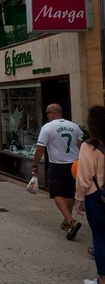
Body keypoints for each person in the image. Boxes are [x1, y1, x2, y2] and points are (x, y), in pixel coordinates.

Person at [32, 103, 83, 240]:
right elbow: (81, 146)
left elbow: (40, 148)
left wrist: (35, 164)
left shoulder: (47, 127)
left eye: (48, 113)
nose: (47, 115)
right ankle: (67, 222)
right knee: (69, 193)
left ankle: (71, 220)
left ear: (53, 113)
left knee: (57, 193)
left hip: (58, 164)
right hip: (74, 165)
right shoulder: (74, 126)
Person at [75, 105, 105, 284]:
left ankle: (103, 281)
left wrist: (78, 198)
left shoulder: (89, 146)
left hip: (97, 197)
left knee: (100, 237)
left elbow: (84, 176)